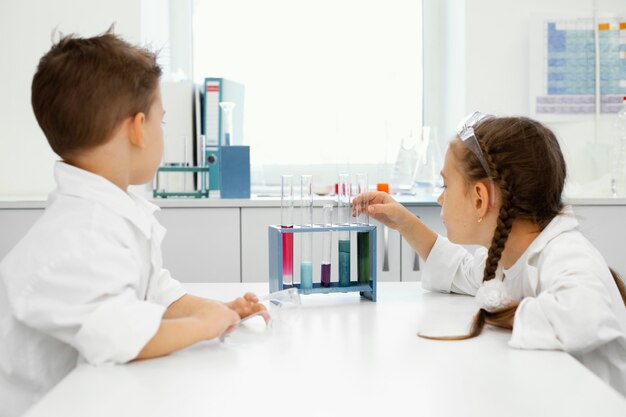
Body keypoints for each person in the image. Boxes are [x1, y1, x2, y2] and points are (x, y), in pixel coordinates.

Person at [0, 29, 266, 417]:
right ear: (139, 128)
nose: (162, 129)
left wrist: (217, 308)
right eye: (162, 119)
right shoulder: (83, 235)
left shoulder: (109, 212)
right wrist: (204, 325)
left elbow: (154, 292)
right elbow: (120, 337)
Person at [353, 112, 626, 396]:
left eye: (446, 185)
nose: (439, 198)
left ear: (480, 199)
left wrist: (498, 309)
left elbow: (583, 318)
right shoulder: (509, 257)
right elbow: (462, 271)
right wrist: (405, 223)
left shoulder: (566, 252)